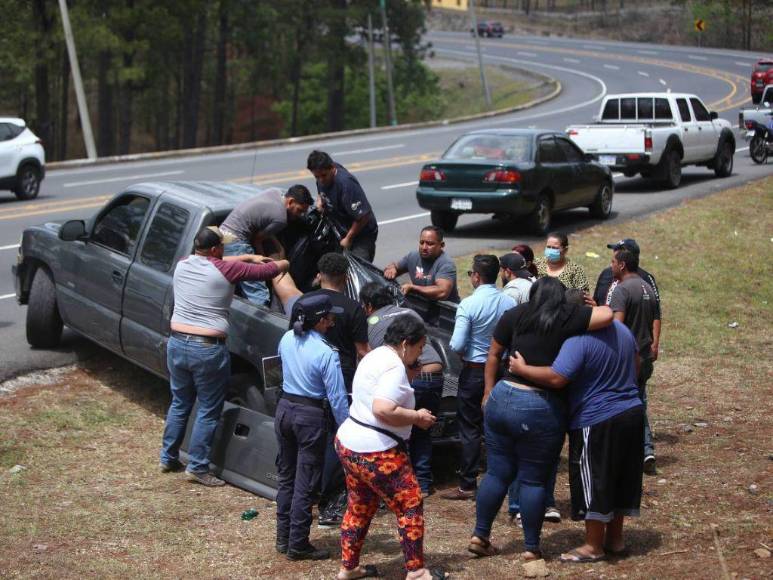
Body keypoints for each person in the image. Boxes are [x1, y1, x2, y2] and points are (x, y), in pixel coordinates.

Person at [468, 278, 612, 561]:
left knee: (497, 472)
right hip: (540, 404)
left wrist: (487, 391)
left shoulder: (515, 314)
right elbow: (607, 316)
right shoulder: (566, 317)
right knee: (534, 480)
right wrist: (591, 306)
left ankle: (480, 535)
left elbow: (493, 354)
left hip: (503, 396)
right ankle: (531, 547)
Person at [509, 288, 644, 563]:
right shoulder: (622, 330)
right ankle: (615, 540)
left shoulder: (578, 340)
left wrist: (522, 370)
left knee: (594, 479)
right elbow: (637, 363)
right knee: (621, 476)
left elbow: (557, 377)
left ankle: (593, 546)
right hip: (632, 412)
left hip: (596, 418)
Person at [160, 226, 287, 486]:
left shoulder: (183, 263)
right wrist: (283, 260)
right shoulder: (227, 271)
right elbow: (268, 271)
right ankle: (197, 466)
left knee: (180, 402)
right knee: (209, 408)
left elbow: (216, 262)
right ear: (216, 249)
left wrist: (247, 257)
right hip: (207, 348)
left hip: (177, 343)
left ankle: (168, 456)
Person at [335, 316, 443, 580]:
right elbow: (383, 408)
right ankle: (416, 571)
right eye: (420, 347)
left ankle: (349, 567)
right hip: (376, 451)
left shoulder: (374, 355)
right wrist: (417, 417)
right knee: (410, 504)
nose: (420, 353)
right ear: (406, 344)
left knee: (359, 506)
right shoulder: (394, 367)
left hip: (349, 443)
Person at [281, 252, 371, 528]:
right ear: (346, 277)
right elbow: (362, 352)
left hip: (298, 386)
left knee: (298, 456)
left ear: (319, 274)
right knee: (336, 438)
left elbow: (292, 341)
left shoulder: (302, 304)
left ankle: (298, 504)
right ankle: (326, 498)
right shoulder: (353, 308)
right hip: (338, 377)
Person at [275, 294, 350, 561]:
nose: (332, 322)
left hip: (284, 409)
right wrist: (346, 427)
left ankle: (283, 538)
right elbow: (337, 397)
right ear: (320, 320)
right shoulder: (326, 352)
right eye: (329, 317)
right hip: (310, 417)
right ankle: (298, 543)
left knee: (286, 477)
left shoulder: (286, 339)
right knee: (305, 482)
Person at [359, 282, 445, 497]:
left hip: (411, 375)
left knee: (398, 430)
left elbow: (368, 355)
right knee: (423, 429)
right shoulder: (409, 311)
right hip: (435, 375)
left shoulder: (369, 322)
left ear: (368, 306)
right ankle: (423, 484)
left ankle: (400, 483)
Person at [442, 255, 516, 500]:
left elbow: (457, 343)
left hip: (474, 371)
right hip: (503, 370)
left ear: (476, 276)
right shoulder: (508, 302)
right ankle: (502, 478)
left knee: (470, 427)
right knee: (498, 425)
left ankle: (468, 483)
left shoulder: (469, 305)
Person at [609, 247, 660, 475]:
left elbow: (617, 327)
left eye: (612, 262)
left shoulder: (622, 290)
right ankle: (645, 450)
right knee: (638, 402)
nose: (610, 266)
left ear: (622, 265)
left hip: (628, 359)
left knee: (622, 406)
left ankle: (626, 455)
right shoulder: (646, 287)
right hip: (645, 356)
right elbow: (655, 320)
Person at [220, 185, 313, 304]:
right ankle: (261, 319)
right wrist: (265, 266)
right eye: (299, 210)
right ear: (290, 201)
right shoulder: (281, 219)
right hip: (236, 243)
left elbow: (264, 227)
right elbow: (258, 239)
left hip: (223, 235)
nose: (300, 215)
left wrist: (279, 247)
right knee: (258, 292)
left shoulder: (274, 192)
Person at [307, 150, 378, 261]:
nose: (321, 180)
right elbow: (321, 191)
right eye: (317, 177)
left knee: (358, 270)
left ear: (332, 167)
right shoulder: (322, 178)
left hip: (361, 234)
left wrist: (349, 238)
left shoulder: (346, 184)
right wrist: (320, 200)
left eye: (323, 175)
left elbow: (363, 216)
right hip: (340, 231)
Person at [383, 226, 460, 324]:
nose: (424, 247)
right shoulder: (413, 256)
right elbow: (395, 267)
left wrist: (413, 287)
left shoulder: (446, 264)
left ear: (441, 245)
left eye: (430, 244)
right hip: (422, 310)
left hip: (445, 316)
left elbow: (442, 292)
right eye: (421, 242)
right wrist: (391, 268)